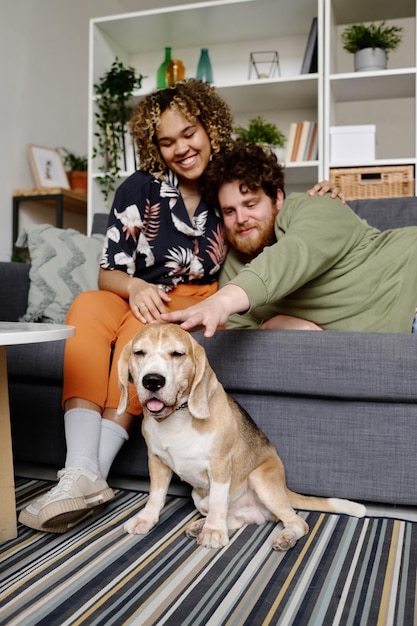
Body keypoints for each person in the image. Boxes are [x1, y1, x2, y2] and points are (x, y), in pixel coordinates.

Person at [19, 83, 339, 533]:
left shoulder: (224, 187)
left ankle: (95, 472)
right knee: (87, 308)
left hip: (190, 298)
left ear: (210, 128)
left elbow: (269, 222)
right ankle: (80, 470)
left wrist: (315, 199)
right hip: (133, 291)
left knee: (141, 337)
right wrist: (132, 286)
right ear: (155, 146)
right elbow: (107, 269)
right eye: (166, 141)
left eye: (188, 133)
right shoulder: (139, 189)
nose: (181, 149)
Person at [161, 140, 417, 338]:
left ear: (278, 198)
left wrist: (220, 303)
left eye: (251, 204)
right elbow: (241, 335)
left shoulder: (317, 207)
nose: (241, 218)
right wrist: (276, 325)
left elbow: (292, 255)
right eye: (229, 211)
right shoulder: (232, 267)